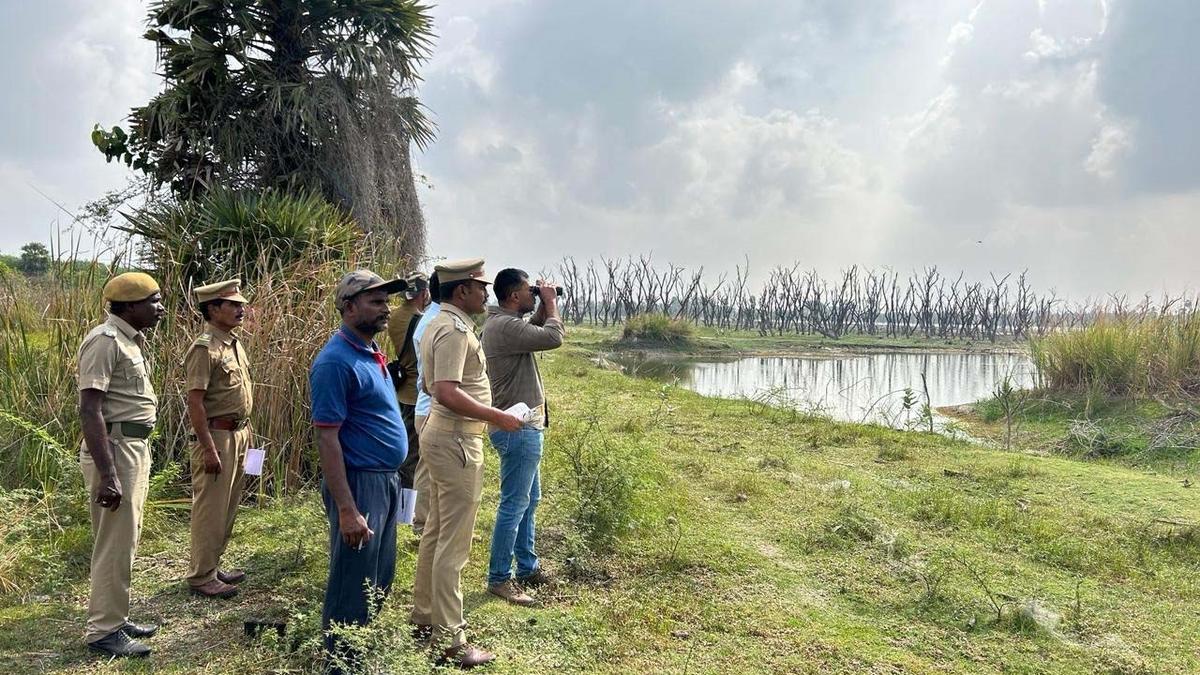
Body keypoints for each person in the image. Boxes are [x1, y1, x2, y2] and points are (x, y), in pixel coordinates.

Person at [410, 258, 520, 669]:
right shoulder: (453, 330)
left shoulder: (437, 323)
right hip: (456, 439)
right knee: (454, 544)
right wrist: (499, 417)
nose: (485, 293)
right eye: (479, 287)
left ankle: (424, 618)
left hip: (445, 435)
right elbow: (444, 391)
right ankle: (451, 640)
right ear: (461, 291)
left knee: (437, 532)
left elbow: (425, 383)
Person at [309, 270, 409, 671]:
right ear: (349, 308)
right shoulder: (335, 362)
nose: (386, 308)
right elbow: (327, 439)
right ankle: (341, 662)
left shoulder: (371, 353)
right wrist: (348, 509)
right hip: (360, 483)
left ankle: (358, 649)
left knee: (379, 575)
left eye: (386, 301)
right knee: (354, 580)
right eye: (376, 301)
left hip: (385, 481)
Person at [77, 272, 165, 658]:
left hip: (132, 446)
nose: (160, 308)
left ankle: (115, 615)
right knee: (114, 541)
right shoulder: (105, 340)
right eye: (154, 301)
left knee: (125, 537)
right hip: (114, 450)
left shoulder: (131, 341)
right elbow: (90, 408)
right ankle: (103, 631)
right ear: (130, 305)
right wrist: (108, 473)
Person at [481, 269, 565, 605]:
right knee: (514, 505)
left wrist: (542, 305)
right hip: (517, 430)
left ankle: (527, 566)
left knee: (528, 502)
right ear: (514, 295)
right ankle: (500, 578)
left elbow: (533, 330)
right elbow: (552, 337)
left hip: (522, 428)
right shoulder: (503, 326)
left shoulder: (505, 323)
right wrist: (551, 303)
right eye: (528, 291)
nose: (533, 295)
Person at [183, 279, 253, 599]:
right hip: (218, 435)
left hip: (238, 433)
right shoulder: (204, 347)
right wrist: (209, 448)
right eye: (233, 305)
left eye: (241, 304)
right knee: (210, 508)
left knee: (228, 506)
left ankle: (213, 565)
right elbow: (195, 402)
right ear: (213, 309)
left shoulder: (232, 342)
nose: (241, 309)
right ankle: (201, 576)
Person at [386, 271, 430, 532]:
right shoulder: (420, 321)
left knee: (408, 454)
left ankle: (406, 512)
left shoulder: (394, 316)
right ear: (424, 294)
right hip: (416, 395)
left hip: (401, 392)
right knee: (413, 458)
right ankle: (405, 515)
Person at [409, 271, 442, 537]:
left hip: (428, 406)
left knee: (434, 469)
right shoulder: (435, 322)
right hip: (432, 407)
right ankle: (423, 525)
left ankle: (431, 524)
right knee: (429, 469)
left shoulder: (432, 318)